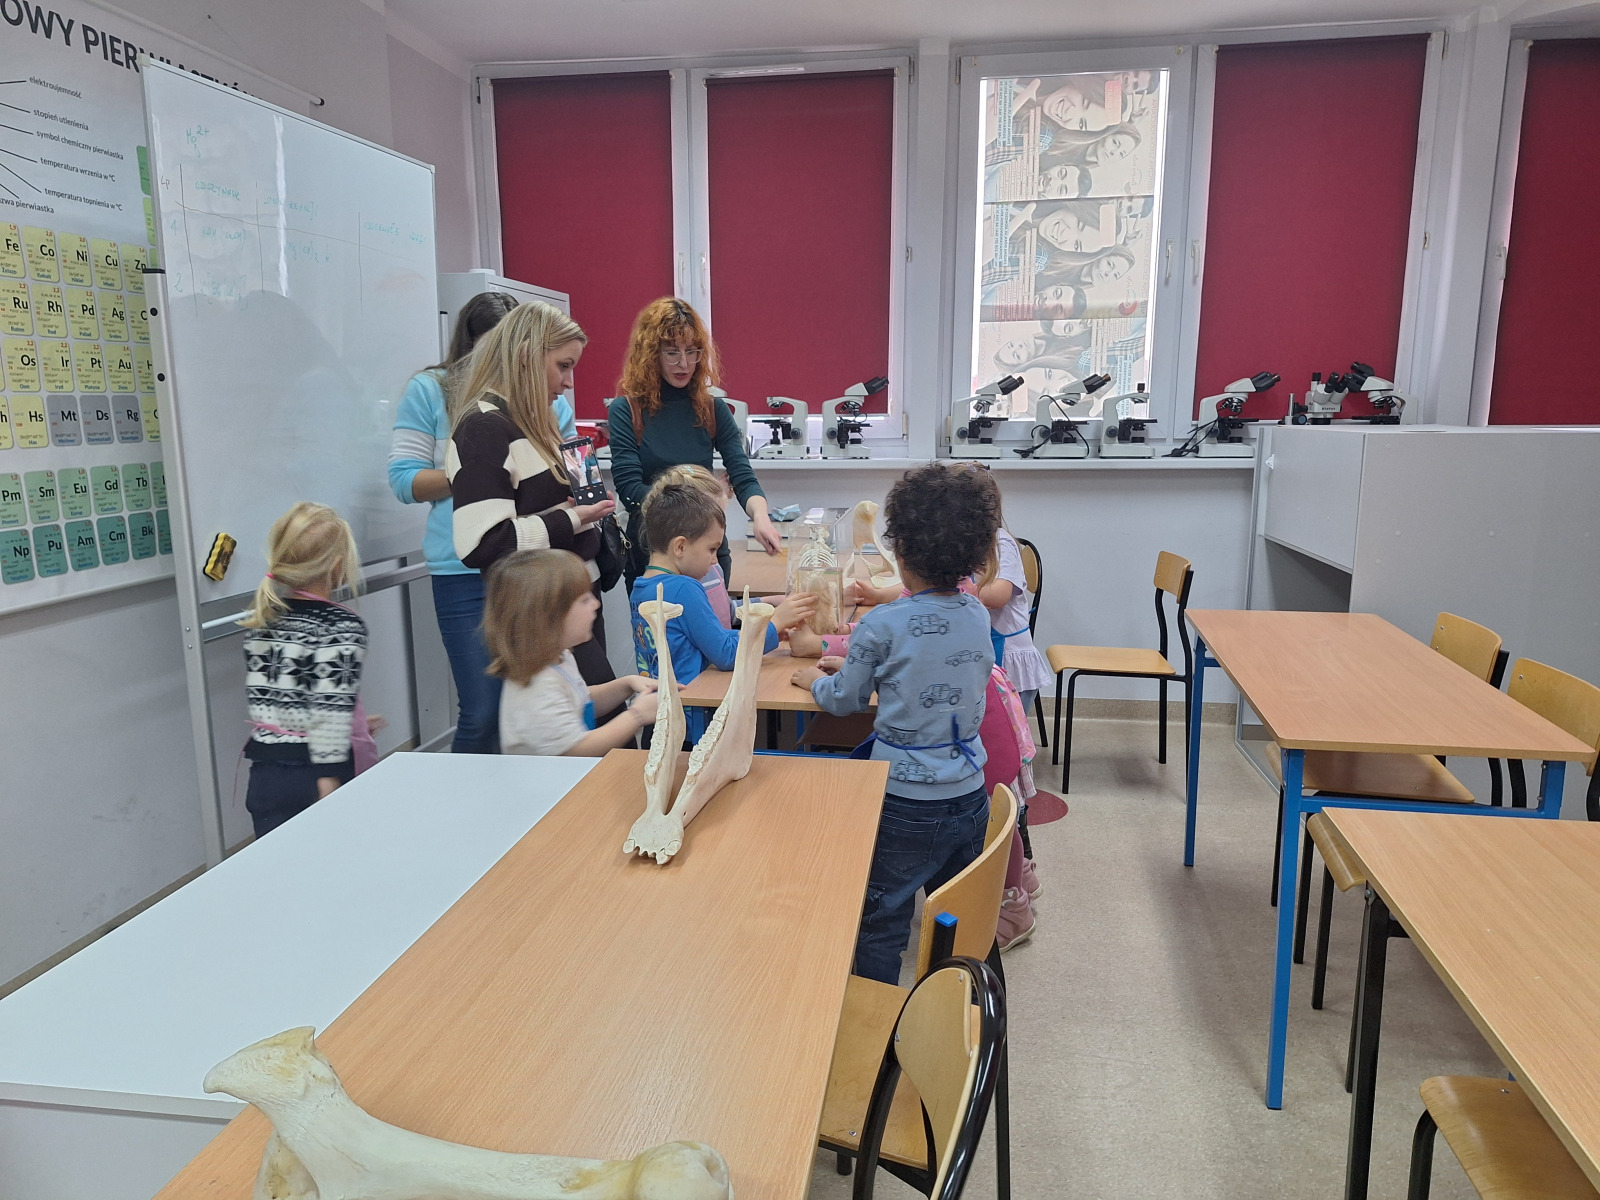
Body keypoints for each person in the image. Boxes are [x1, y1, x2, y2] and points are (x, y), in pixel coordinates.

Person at [791, 463, 1000, 985]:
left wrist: (812, 681)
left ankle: (879, 1016)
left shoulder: (881, 624)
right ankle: (954, 1002)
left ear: (900, 550)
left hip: (906, 804)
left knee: (882, 921)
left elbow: (844, 701)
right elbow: (932, 669)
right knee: (957, 913)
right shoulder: (977, 612)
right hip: (970, 793)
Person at [389, 292, 578, 754]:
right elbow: (404, 480)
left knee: (544, 703)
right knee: (483, 710)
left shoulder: (551, 398)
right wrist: (481, 473)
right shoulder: (432, 390)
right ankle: (469, 800)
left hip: (532, 568)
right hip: (462, 571)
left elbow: (573, 472)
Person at [449, 301, 618, 693]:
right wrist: (573, 517)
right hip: (544, 614)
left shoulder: (536, 419)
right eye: (563, 366)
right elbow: (482, 544)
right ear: (526, 356)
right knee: (597, 724)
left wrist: (584, 504)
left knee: (604, 715)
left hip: (575, 599)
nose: (569, 382)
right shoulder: (483, 429)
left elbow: (553, 504)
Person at [607, 298, 781, 592]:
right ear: (651, 355)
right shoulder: (626, 411)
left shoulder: (712, 409)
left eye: (692, 351)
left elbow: (742, 475)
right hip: (653, 556)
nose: (684, 363)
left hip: (707, 554)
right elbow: (630, 490)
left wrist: (761, 518)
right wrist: (704, 498)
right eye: (672, 352)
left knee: (715, 620)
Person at [630, 478, 813, 738]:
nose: (715, 559)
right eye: (711, 549)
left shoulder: (641, 587)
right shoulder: (684, 588)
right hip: (691, 722)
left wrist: (762, 632)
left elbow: (707, 638)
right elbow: (725, 654)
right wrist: (774, 624)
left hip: (661, 719)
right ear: (680, 546)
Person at [239, 502, 367, 839]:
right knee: (328, 862)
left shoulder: (263, 619)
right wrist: (329, 782)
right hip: (313, 777)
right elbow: (328, 711)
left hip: (265, 776)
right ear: (337, 566)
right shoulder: (342, 625)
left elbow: (281, 700)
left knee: (279, 865)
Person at [484, 548, 660, 757]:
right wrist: (637, 716)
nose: (595, 604)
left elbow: (581, 700)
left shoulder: (561, 658)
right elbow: (577, 750)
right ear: (549, 618)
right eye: (584, 600)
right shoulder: (538, 686)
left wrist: (626, 685)